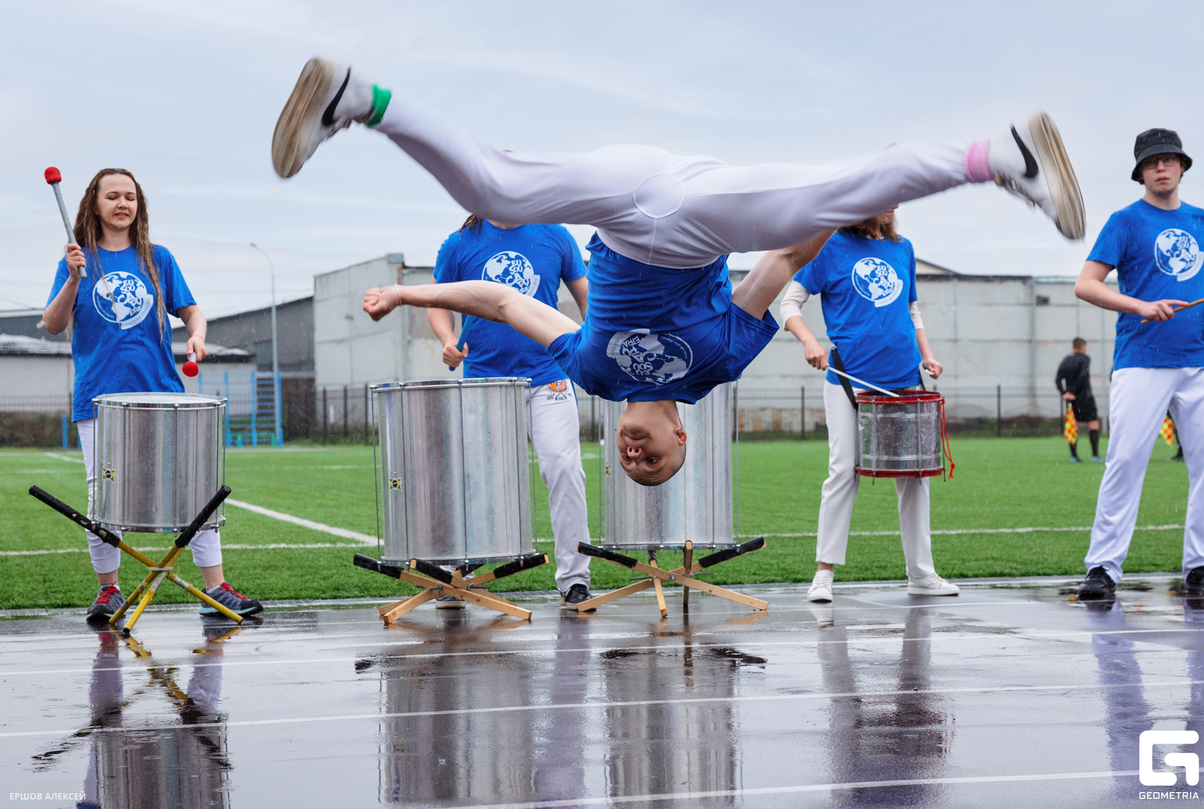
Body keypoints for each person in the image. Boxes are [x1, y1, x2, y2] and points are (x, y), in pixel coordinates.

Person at [272, 58, 1085, 484]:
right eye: (653, 458)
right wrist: (854, 195)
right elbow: (781, 264)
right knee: (825, 196)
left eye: (631, 462)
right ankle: (1003, 156)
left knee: (496, 189)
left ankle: (357, 95)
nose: (635, 454)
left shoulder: (589, 371)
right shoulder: (717, 366)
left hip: (625, 210)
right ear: (679, 432)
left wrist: (412, 290)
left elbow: (499, 299)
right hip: (701, 218)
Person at [43, 168, 262, 624]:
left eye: (130, 197)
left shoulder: (157, 258)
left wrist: (198, 334)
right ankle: (108, 592)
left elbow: (191, 310)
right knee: (104, 497)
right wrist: (72, 279)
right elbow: (52, 324)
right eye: (113, 196)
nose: (122, 204)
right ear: (94, 204)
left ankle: (217, 589)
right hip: (99, 399)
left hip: (162, 393)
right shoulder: (76, 262)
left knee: (196, 492)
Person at [779, 209, 959, 601]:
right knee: (843, 471)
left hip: (904, 379)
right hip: (848, 381)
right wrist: (809, 341)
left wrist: (927, 354)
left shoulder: (903, 249)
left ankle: (921, 574)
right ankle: (823, 575)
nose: (892, 204)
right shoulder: (829, 246)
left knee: (914, 477)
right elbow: (789, 304)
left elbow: (911, 309)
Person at [1073, 129, 1204, 600]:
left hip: (1199, 361)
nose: (1162, 167)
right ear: (1141, 172)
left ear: (1181, 167)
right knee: (1126, 460)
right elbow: (1086, 285)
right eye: (1153, 162)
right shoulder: (1125, 221)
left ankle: (1203, 563)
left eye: (1170, 160)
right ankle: (1103, 568)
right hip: (1140, 360)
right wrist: (1139, 305)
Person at [427, 215, 595, 609]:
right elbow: (438, 304)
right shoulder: (459, 244)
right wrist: (448, 339)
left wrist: (595, 341)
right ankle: (460, 572)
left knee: (564, 468)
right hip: (487, 380)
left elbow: (590, 298)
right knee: (474, 476)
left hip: (550, 374)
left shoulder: (555, 236)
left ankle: (575, 579)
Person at [1055, 337, 1102, 462]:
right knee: (1093, 423)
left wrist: (1065, 393)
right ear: (1082, 347)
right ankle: (1095, 455)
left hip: (1071, 400)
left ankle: (1074, 456)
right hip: (1084, 396)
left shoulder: (1066, 359)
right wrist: (1074, 392)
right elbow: (1083, 375)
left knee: (1073, 425)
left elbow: (1057, 379)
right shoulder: (1085, 358)